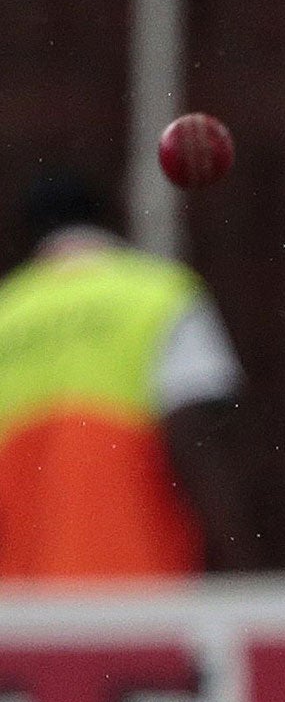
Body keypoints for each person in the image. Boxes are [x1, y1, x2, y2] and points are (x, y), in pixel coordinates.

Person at [0, 170, 256, 582]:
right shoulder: (160, 296)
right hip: (141, 596)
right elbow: (196, 444)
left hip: (24, 616)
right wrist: (244, 578)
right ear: (111, 218)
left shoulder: (6, 315)